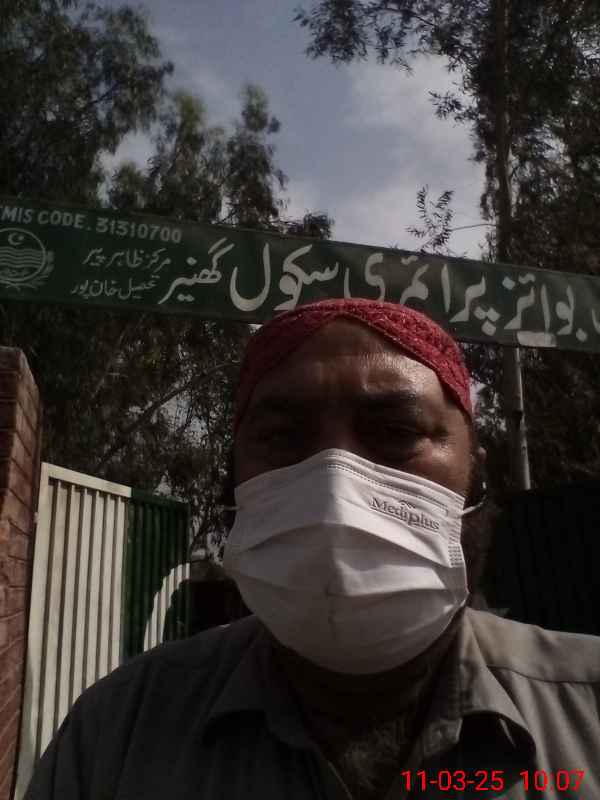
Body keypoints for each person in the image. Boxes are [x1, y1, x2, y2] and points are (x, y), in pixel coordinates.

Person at [25, 299, 600, 799]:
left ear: (475, 475)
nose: (334, 488)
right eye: (282, 436)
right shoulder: (114, 736)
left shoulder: (586, 713)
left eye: (396, 432)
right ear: (233, 482)